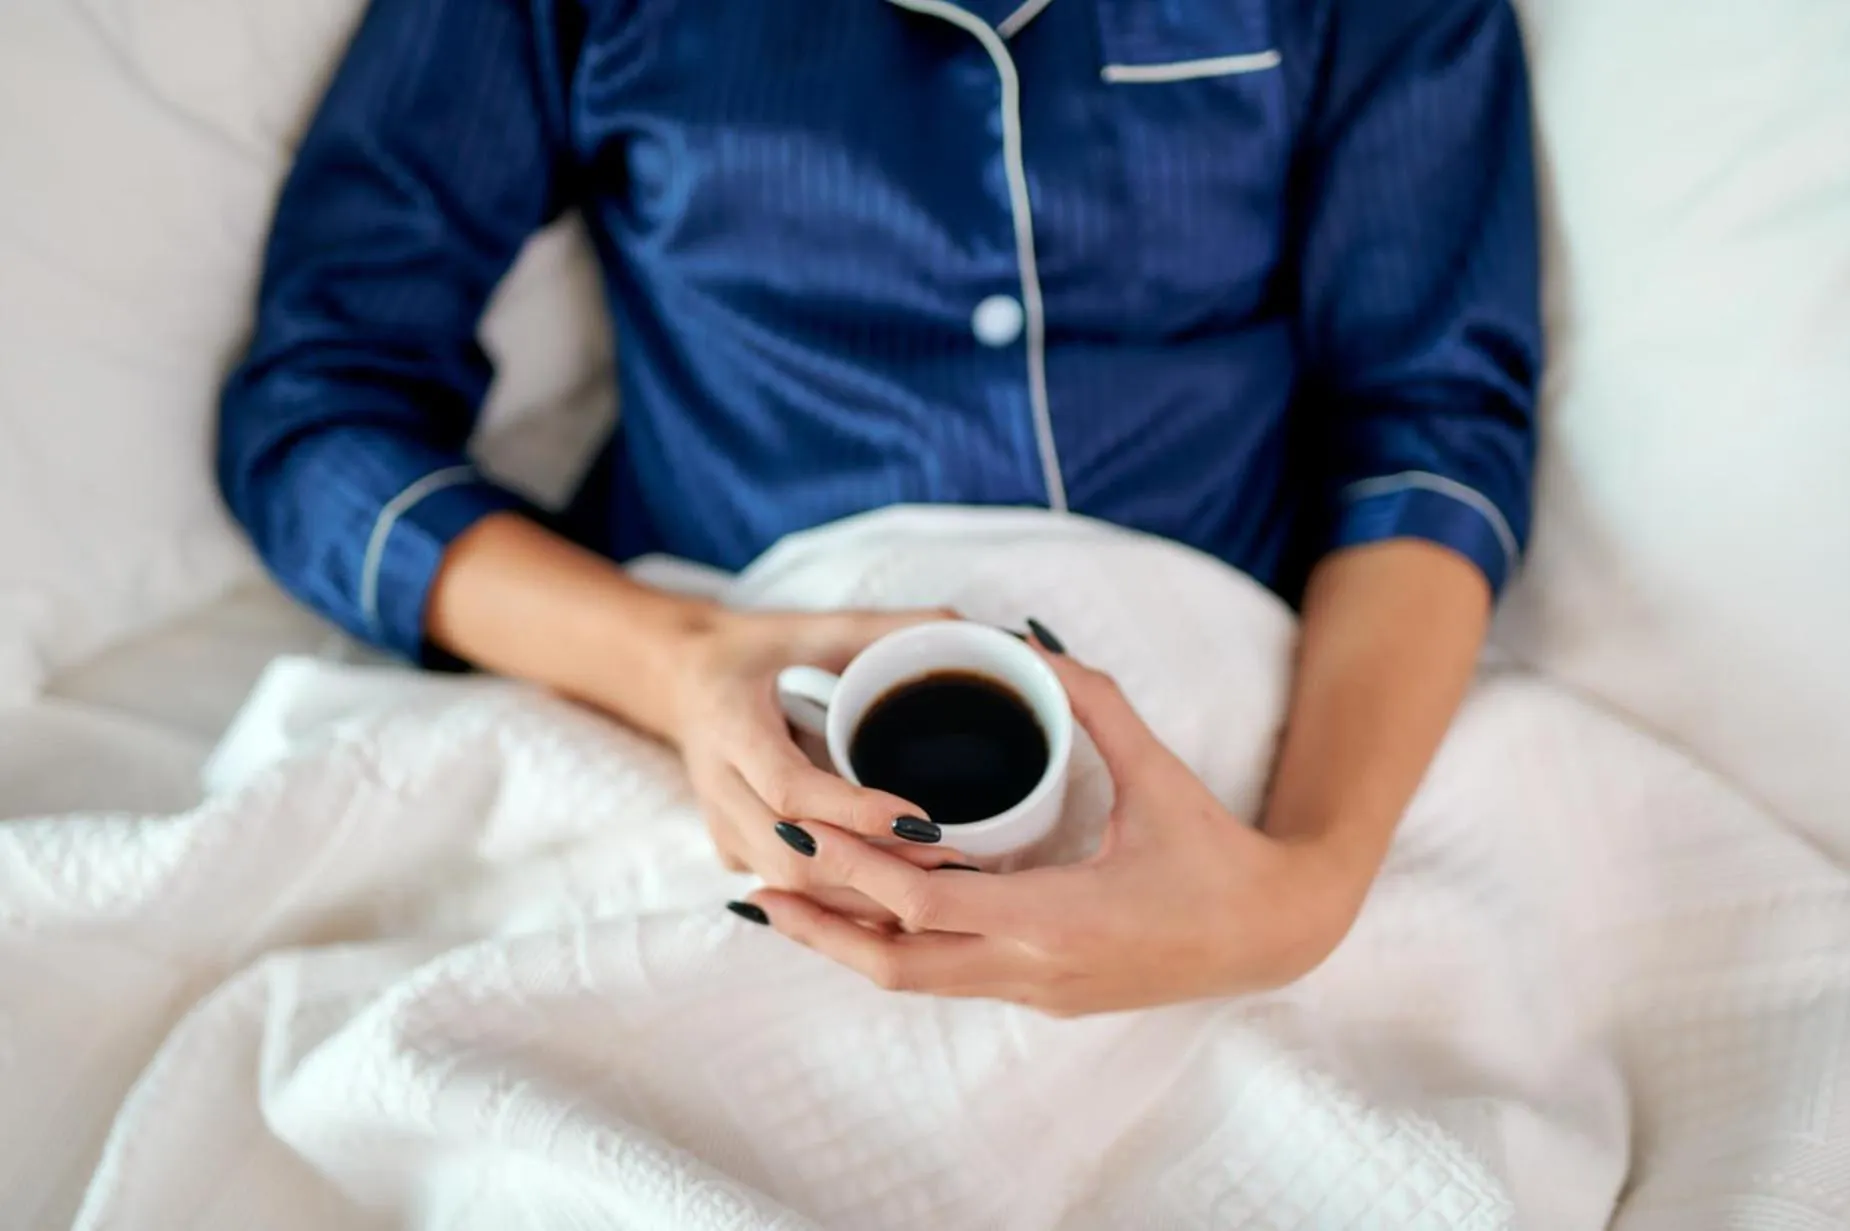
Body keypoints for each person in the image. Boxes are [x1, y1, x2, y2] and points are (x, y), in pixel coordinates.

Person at [219, 0, 1541, 1015]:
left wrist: (1298, 890)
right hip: (710, 737)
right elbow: (315, 415)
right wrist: (677, 663)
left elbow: (1428, 426)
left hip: (1247, 744)